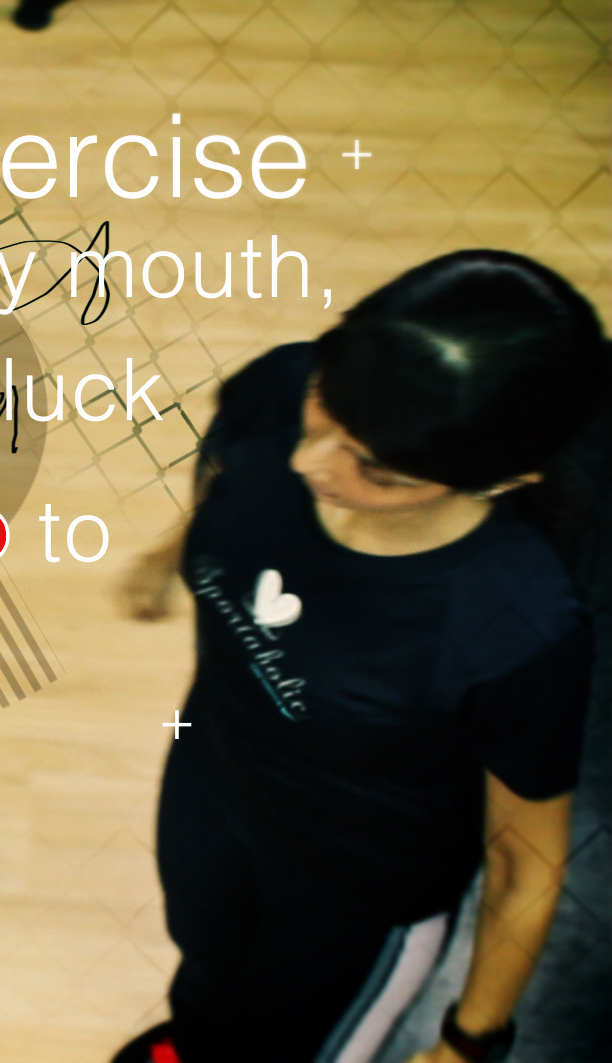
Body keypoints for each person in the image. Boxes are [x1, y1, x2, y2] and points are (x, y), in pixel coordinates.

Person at [113, 251, 604, 1063]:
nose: (310, 461)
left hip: (355, 896)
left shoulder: (516, 626)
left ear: (503, 479)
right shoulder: (283, 386)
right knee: (204, 964)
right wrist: (173, 555)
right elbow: (232, 474)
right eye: (324, 409)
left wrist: (466, 1045)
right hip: (214, 783)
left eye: (375, 468)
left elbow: (525, 859)